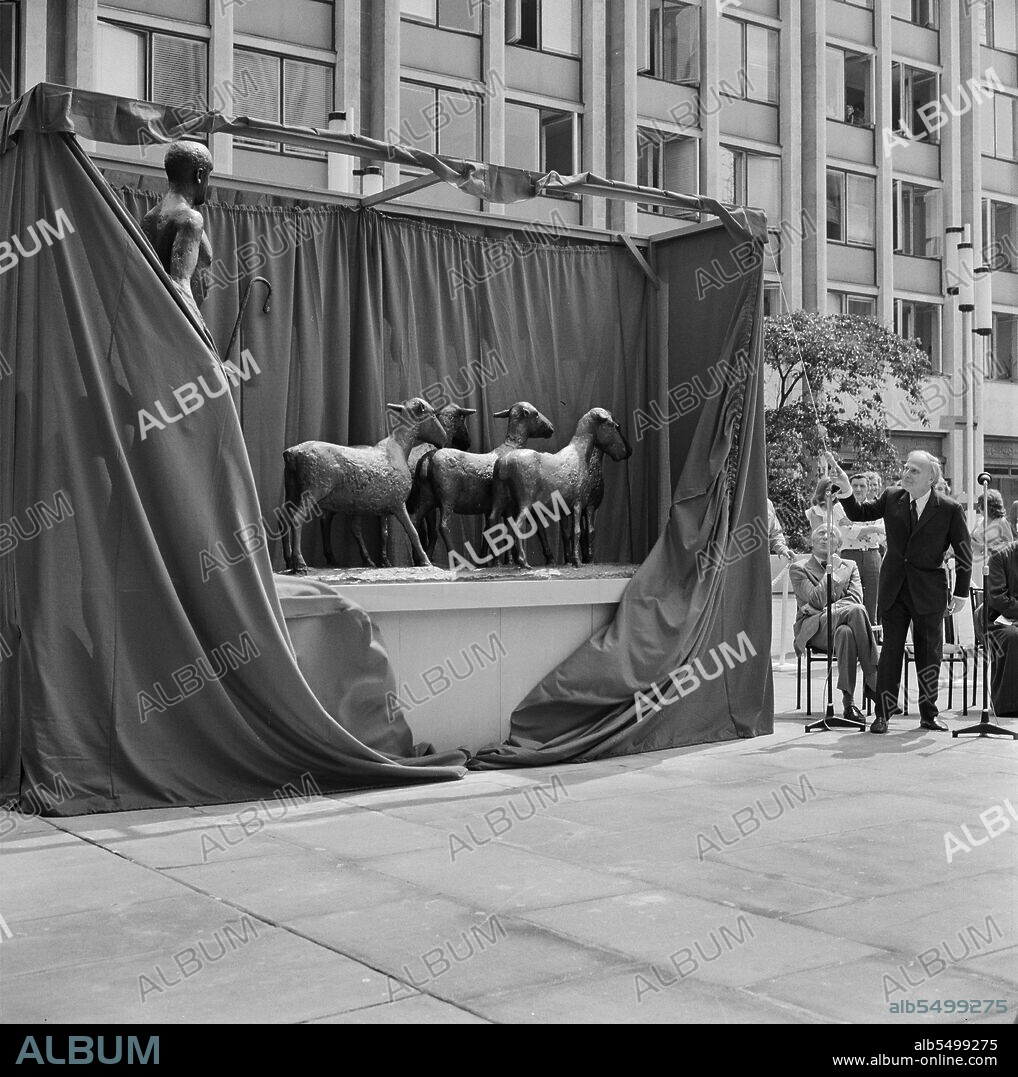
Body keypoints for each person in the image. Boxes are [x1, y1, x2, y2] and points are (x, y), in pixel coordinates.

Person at [826, 450, 971, 733]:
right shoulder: (893, 496)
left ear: (931, 477)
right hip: (894, 587)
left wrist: (961, 592)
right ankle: (883, 714)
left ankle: (929, 713)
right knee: (890, 651)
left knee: (929, 653)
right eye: (906, 468)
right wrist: (845, 490)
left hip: (929, 590)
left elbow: (964, 552)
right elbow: (859, 513)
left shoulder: (950, 509)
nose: (906, 473)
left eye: (914, 470)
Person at [790, 526, 878, 722]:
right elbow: (815, 599)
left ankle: (849, 705)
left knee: (846, 632)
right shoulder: (799, 568)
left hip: (840, 624)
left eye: (831, 535)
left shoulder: (850, 565)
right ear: (811, 542)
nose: (825, 536)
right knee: (854, 612)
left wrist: (822, 608)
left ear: (839, 545)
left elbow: (856, 599)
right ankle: (874, 683)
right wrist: (836, 575)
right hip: (815, 629)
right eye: (820, 533)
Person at [141, 140, 214, 327]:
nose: (209, 183)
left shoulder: (150, 218)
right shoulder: (190, 219)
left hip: (155, 320)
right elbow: (180, 284)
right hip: (181, 323)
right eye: (208, 175)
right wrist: (202, 335)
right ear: (199, 175)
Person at [840, 472, 882, 622]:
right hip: (850, 555)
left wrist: (855, 527)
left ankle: (872, 636)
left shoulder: (875, 508)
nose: (858, 489)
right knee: (850, 597)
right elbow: (845, 533)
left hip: (872, 555)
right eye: (855, 486)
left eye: (862, 486)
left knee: (873, 599)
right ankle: (852, 634)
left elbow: (882, 533)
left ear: (869, 488)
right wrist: (872, 528)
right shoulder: (841, 507)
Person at [984, 540, 1018, 717]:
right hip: (999, 620)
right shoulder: (1000, 556)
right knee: (1013, 636)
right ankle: (1008, 705)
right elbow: (998, 598)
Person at [972, 489, 1014, 573]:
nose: (979, 508)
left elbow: (1010, 544)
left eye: (981, 505)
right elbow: (969, 538)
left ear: (988, 506)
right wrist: (980, 546)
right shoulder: (979, 521)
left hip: (995, 563)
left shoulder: (1001, 521)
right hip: (976, 562)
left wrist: (993, 548)